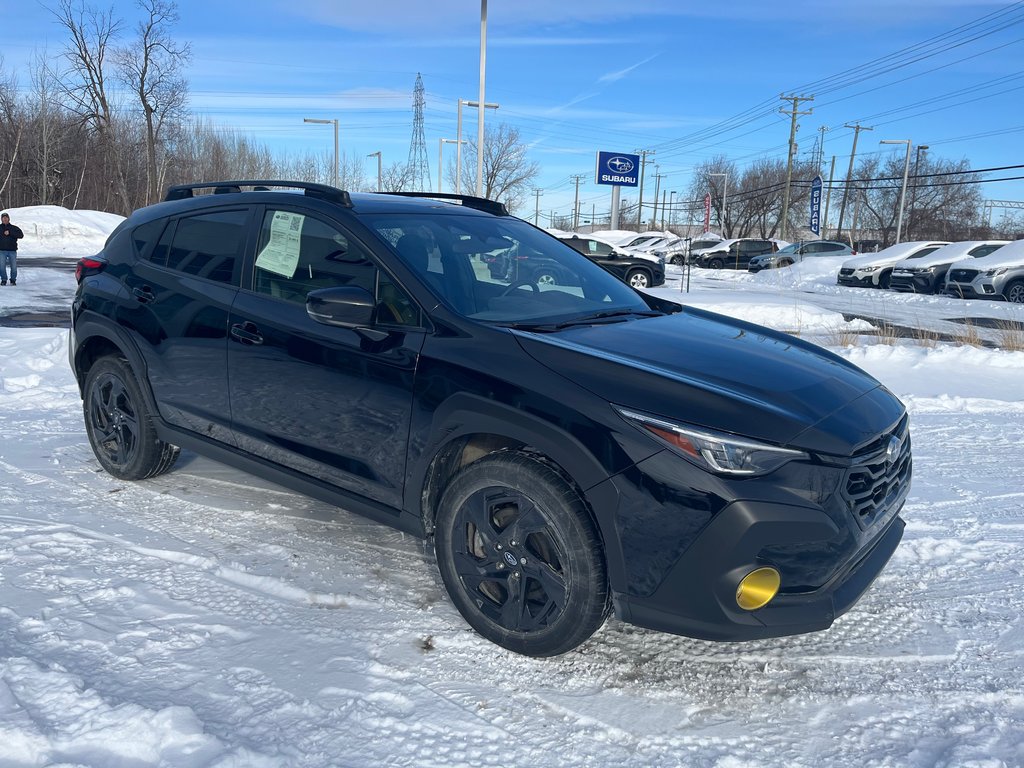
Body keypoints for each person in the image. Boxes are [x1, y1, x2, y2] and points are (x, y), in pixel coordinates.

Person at [0, 212, 24, 286]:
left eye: (6, 217)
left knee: (13, 267)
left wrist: (10, 233)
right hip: (2, 251)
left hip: (12, 251)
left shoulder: (14, 228)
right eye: (3, 217)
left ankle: (13, 280)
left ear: (9, 218)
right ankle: (3, 280)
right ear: (1, 219)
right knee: (1, 267)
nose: (5, 219)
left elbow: (21, 235)